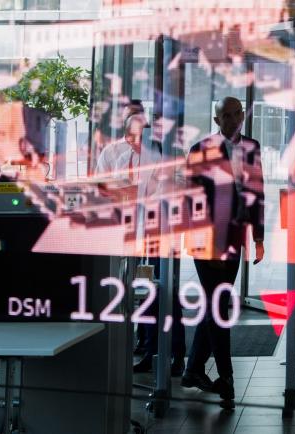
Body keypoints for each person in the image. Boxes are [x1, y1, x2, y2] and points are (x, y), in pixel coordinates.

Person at [181, 97, 265, 409]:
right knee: (220, 306)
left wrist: (258, 236)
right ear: (217, 120)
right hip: (206, 239)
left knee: (217, 301)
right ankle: (227, 377)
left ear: (243, 116)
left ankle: (192, 371)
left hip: (233, 237)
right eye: (224, 116)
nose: (231, 120)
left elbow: (258, 193)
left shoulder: (252, 148)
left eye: (236, 114)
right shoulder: (200, 149)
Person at [121, 112, 187, 376]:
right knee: (148, 291)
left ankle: (176, 354)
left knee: (166, 292)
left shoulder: (170, 157)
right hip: (140, 233)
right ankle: (150, 350)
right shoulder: (129, 157)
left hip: (165, 233)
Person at [94, 100, 145, 176]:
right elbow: (100, 183)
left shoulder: (154, 149)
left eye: (137, 115)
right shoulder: (109, 151)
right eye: (129, 116)